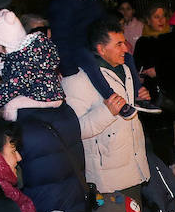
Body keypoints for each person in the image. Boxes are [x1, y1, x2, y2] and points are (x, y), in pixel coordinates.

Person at [0, 9, 90, 212]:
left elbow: (27, 178)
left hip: (48, 211)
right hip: (75, 200)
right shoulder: (63, 109)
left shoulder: (22, 122)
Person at [64, 17, 154, 201]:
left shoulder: (126, 70)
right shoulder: (77, 81)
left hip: (135, 168)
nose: (126, 49)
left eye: (125, 43)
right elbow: (76, 130)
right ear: (101, 49)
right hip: (108, 181)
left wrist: (138, 99)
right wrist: (108, 112)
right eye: (119, 44)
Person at [47, 0, 119, 107]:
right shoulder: (63, 1)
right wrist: (69, 70)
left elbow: (103, 21)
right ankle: (112, 98)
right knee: (89, 61)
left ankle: (139, 93)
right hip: (78, 53)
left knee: (126, 54)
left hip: (98, 45)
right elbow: (60, 38)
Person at [135, 2, 175, 163]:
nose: (161, 20)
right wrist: (147, 72)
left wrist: (160, 71)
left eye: (163, 16)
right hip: (157, 95)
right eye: (156, 17)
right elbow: (140, 65)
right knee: (161, 133)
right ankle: (169, 163)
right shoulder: (143, 42)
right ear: (149, 20)